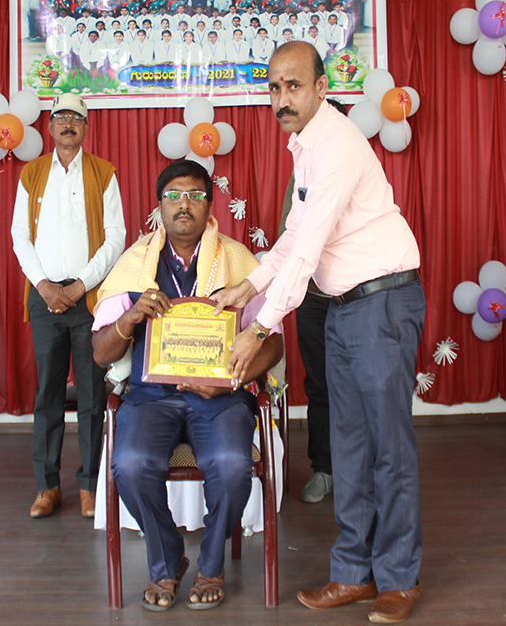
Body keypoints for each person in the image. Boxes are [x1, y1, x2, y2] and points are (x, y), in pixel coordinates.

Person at [212, 41, 425, 624]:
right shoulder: (306, 145)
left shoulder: (335, 145)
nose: (282, 98)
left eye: (294, 86)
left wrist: (259, 327)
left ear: (321, 86)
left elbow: (306, 252)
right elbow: (294, 233)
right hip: (342, 307)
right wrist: (248, 285)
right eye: (274, 88)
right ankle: (353, 573)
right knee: (349, 446)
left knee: (388, 447)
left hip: (381, 302)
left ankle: (398, 578)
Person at [92, 159, 283, 612]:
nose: (184, 204)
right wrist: (130, 318)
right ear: (159, 206)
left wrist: (234, 378)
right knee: (131, 465)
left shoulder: (237, 261)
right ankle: (167, 561)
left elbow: (272, 344)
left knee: (232, 465)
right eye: (173, 195)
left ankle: (211, 565)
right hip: (150, 398)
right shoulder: (134, 265)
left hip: (221, 398)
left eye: (195, 195)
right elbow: (100, 353)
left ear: (210, 205)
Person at [11, 94, 126, 519]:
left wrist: (80, 286)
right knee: (49, 394)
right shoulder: (32, 173)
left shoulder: (103, 173)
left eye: (76, 118)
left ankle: (90, 485)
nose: (67, 124)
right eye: (60, 117)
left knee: (93, 395)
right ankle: (47, 487)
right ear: (50, 126)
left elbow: (116, 236)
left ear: (86, 127)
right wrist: (43, 285)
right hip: (44, 299)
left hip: (88, 299)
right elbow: (20, 235)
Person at [278, 174, 333, 504]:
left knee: (359, 386)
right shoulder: (301, 173)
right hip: (312, 296)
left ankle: (362, 472)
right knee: (318, 383)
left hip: (355, 297)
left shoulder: (354, 165)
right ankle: (324, 470)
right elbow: (289, 231)